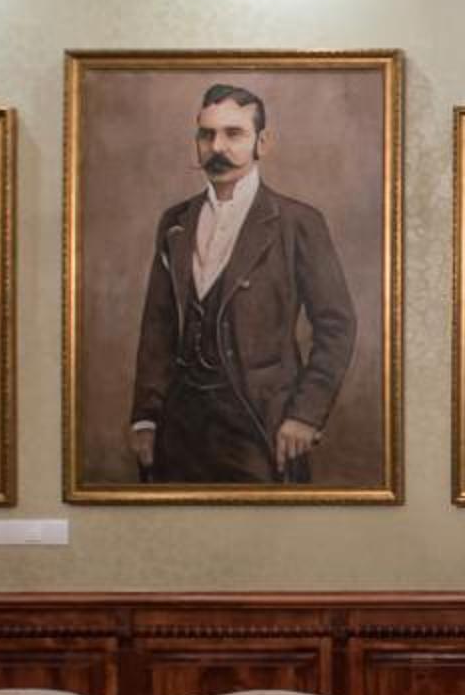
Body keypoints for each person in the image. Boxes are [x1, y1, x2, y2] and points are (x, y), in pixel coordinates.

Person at [127, 82, 356, 484]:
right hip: (179, 431)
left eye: (233, 134)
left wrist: (305, 416)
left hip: (262, 426)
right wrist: (146, 417)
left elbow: (337, 326)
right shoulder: (175, 222)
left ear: (261, 142)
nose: (217, 147)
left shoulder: (298, 223)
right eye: (207, 135)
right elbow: (157, 326)